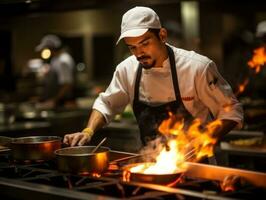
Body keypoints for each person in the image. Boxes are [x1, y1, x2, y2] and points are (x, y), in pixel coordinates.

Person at [64, 6, 243, 148]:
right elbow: (107, 104)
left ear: (162, 35)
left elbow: (231, 112)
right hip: (152, 164)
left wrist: (204, 139)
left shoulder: (197, 67)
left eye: (145, 43)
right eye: (132, 47)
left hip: (197, 162)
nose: (139, 53)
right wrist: (88, 131)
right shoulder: (127, 69)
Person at [34, 34, 75, 108]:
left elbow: (67, 85)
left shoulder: (63, 61)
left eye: (45, 49)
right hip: (56, 102)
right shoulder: (55, 59)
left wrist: (54, 100)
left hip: (62, 103)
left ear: (51, 48)